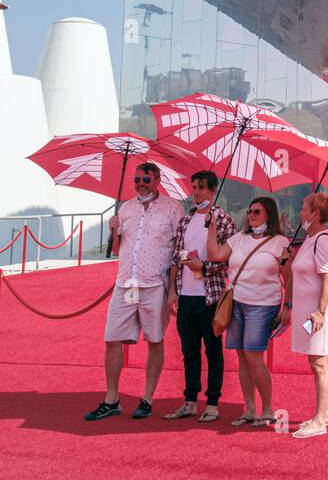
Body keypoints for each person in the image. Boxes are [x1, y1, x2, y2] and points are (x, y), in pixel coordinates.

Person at [85, 162, 182, 421]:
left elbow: (177, 252)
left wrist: (173, 290)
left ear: (157, 180)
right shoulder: (125, 208)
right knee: (112, 339)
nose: (141, 183)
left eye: (146, 179)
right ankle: (111, 399)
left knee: (155, 340)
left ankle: (147, 399)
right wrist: (113, 230)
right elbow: (117, 248)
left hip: (154, 284)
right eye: (137, 179)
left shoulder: (173, 208)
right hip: (126, 283)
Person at [206, 196, 291, 427]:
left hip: (263, 305)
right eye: (250, 212)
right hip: (236, 303)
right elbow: (215, 255)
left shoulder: (280, 242)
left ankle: (267, 408)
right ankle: (250, 409)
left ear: (268, 215)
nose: (251, 215)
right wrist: (211, 228)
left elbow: (288, 275)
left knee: (254, 357)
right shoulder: (239, 238)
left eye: (257, 212)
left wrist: (288, 305)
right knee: (242, 357)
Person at [164, 170, 237, 422]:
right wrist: (173, 290)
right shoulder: (185, 221)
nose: (196, 192)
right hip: (186, 295)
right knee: (189, 351)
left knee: (213, 351)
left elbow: (229, 258)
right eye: (194, 187)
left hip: (211, 295)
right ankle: (190, 400)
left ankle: (213, 402)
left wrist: (203, 268)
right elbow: (176, 257)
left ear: (213, 190)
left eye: (202, 188)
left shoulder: (224, 221)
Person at [289, 192, 328, 438]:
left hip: (317, 313)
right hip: (307, 311)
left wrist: (320, 312)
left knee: (319, 363)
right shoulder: (310, 238)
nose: (301, 213)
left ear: (316, 214)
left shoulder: (323, 240)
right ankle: (325, 413)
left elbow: (327, 277)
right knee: (316, 362)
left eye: (304, 208)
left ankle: (319, 420)